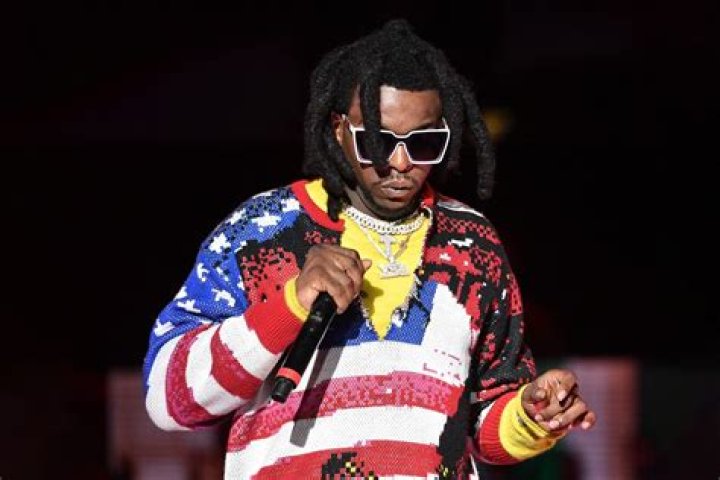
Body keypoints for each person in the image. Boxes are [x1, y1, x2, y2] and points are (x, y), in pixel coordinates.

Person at [142, 19, 597, 479]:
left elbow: (484, 422)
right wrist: (289, 305)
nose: (399, 163)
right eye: (377, 141)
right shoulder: (262, 231)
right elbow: (167, 401)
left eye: (423, 142)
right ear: (339, 128)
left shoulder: (472, 243)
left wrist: (530, 417)